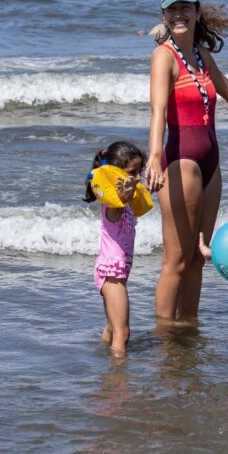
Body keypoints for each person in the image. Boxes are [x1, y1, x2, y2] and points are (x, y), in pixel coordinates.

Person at [145, 0, 228, 323]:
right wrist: (154, 156)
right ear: (165, 16)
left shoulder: (203, 57)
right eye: (172, 9)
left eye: (185, 7)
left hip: (211, 162)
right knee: (177, 259)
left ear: (197, 12)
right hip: (180, 160)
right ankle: (164, 335)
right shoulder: (163, 57)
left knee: (199, 257)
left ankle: (187, 328)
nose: (179, 14)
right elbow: (157, 110)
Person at [83, 140, 146, 356]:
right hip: (112, 275)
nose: (137, 177)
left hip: (113, 273)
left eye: (140, 171)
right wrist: (127, 193)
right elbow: (119, 203)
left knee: (111, 329)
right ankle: (118, 379)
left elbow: (140, 194)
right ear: (115, 174)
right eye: (132, 172)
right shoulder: (113, 206)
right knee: (123, 333)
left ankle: (103, 364)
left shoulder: (124, 203)